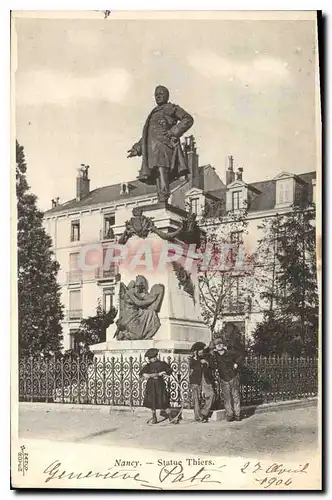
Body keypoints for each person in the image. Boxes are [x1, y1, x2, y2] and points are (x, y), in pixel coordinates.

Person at [127, 85, 194, 203]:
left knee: (162, 170)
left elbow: (188, 119)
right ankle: (161, 198)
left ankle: (163, 197)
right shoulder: (153, 113)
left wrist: (173, 132)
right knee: (157, 172)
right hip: (153, 150)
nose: (158, 96)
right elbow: (147, 135)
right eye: (156, 94)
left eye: (161, 94)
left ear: (167, 95)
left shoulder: (171, 108)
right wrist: (137, 149)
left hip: (164, 146)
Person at [211, 324, 245, 422]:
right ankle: (230, 415)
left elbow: (241, 355)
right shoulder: (215, 356)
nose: (219, 345)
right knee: (227, 398)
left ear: (223, 345)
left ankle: (237, 415)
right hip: (223, 379)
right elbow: (208, 354)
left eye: (221, 344)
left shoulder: (229, 353)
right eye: (217, 344)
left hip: (233, 377)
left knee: (235, 396)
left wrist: (236, 363)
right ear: (215, 347)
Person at [139, 348, 176, 424]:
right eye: (152, 358)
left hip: (160, 385)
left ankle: (170, 417)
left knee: (164, 400)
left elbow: (170, 370)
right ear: (149, 359)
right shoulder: (148, 366)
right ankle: (154, 417)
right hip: (151, 385)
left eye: (155, 356)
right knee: (153, 401)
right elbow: (141, 374)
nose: (154, 358)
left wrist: (164, 372)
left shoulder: (162, 364)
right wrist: (145, 375)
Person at [189, 342, 215, 423]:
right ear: (195, 351)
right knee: (196, 398)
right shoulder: (192, 359)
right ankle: (198, 416)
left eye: (201, 350)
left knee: (211, 394)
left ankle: (204, 413)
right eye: (198, 350)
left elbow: (213, 366)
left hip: (205, 379)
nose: (200, 352)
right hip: (195, 380)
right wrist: (199, 362)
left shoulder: (207, 357)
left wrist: (207, 363)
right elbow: (191, 370)